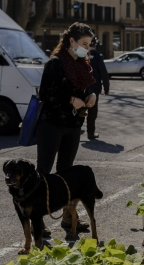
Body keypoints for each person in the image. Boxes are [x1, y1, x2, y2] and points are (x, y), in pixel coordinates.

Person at [36, 22, 96, 232]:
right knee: (43, 172)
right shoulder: (55, 63)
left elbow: (87, 87)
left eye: (89, 44)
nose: (87, 48)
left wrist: (91, 95)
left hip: (72, 125)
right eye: (84, 43)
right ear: (71, 41)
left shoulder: (82, 64)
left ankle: (68, 219)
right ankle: (38, 220)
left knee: (67, 174)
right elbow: (45, 94)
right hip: (51, 125)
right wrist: (71, 100)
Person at [86, 37, 110, 140]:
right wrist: (106, 87)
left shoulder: (81, 55)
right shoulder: (97, 56)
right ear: (95, 45)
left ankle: (75, 132)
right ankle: (90, 133)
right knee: (92, 111)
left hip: (82, 87)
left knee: (79, 110)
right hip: (94, 88)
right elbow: (103, 73)